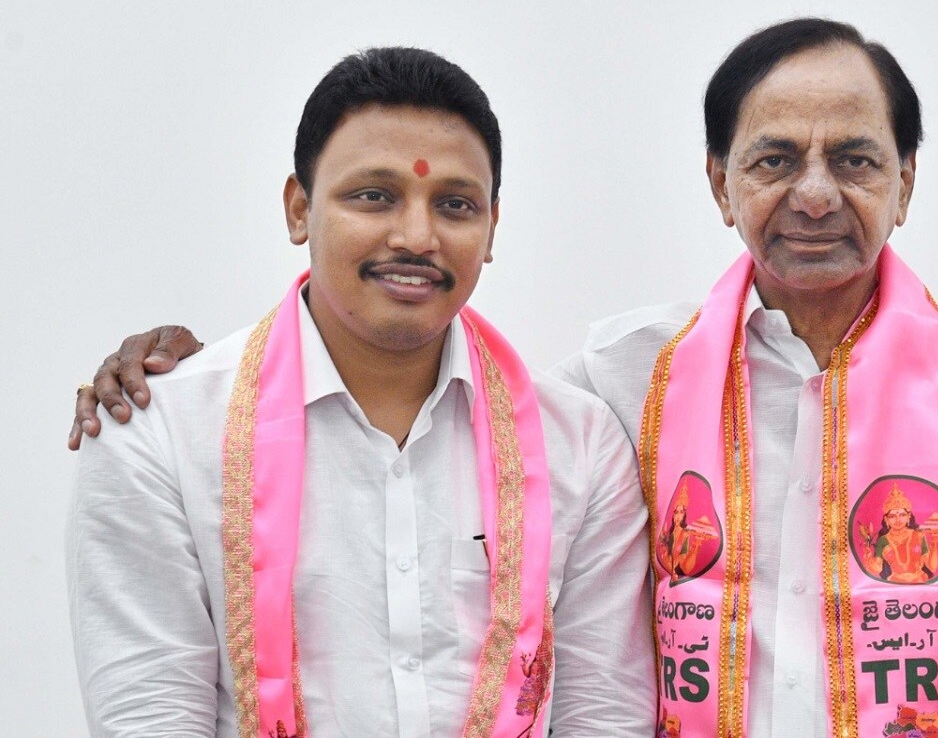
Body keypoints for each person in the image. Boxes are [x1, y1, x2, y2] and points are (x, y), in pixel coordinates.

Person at [69, 19, 938, 737]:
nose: (815, 194)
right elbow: (394, 357)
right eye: (774, 159)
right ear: (719, 183)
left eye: (855, 159)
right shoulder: (628, 386)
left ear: (905, 182)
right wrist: (180, 376)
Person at [66, 47, 655, 737]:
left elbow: (604, 714)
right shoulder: (161, 433)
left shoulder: (580, 444)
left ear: (491, 228)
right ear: (298, 209)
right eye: (374, 196)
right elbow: (149, 715)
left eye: (455, 205)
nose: (416, 236)